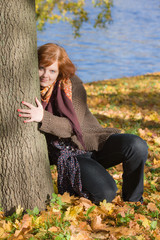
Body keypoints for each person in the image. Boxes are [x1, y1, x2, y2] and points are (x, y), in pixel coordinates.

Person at [18, 43, 148, 204]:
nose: (45, 75)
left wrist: (43, 117)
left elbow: (73, 126)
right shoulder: (27, 88)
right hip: (69, 154)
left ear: (59, 71)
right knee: (107, 194)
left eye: (52, 71)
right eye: (42, 68)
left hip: (92, 142)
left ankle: (133, 201)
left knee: (136, 145)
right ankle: (90, 180)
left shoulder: (72, 85)